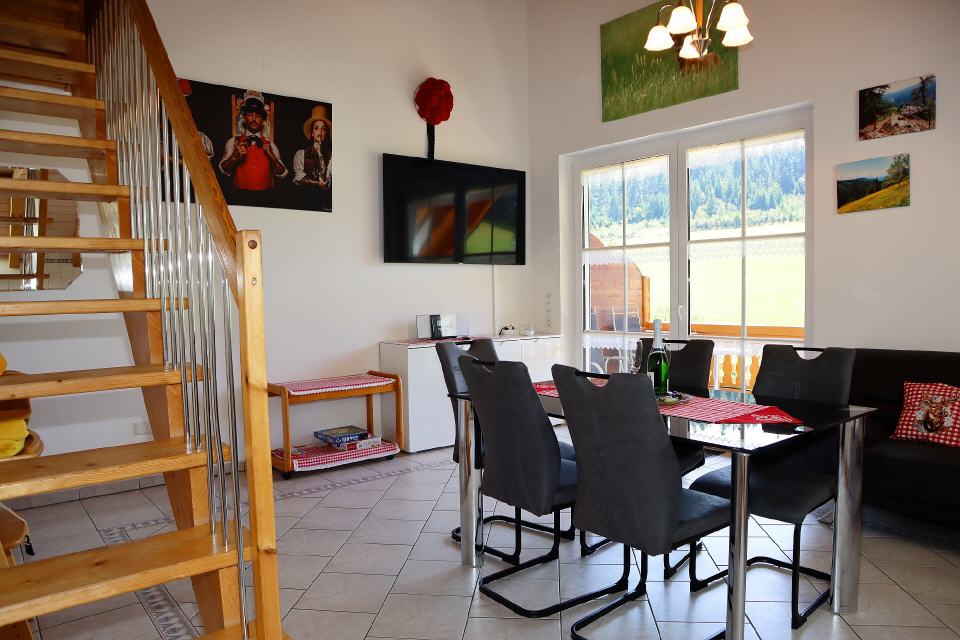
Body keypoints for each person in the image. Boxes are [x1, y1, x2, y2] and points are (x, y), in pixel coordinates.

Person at [218, 91, 287, 205]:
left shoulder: (271, 145)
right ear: (244, 117)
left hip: (266, 198)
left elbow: (282, 173)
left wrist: (272, 157)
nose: (254, 119)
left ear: (263, 120)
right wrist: (233, 158)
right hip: (239, 197)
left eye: (258, 116)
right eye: (250, 115)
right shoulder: (233, 142)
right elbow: (223, 170)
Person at [292, 105, 332, 211]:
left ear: (326, 133)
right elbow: (299, 178)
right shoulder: (301, 154)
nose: (320, 132)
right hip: (308, 202)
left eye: (323, 129)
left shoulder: (331, 156)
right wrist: (316, 183)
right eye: (316, 128)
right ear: (312, 133)